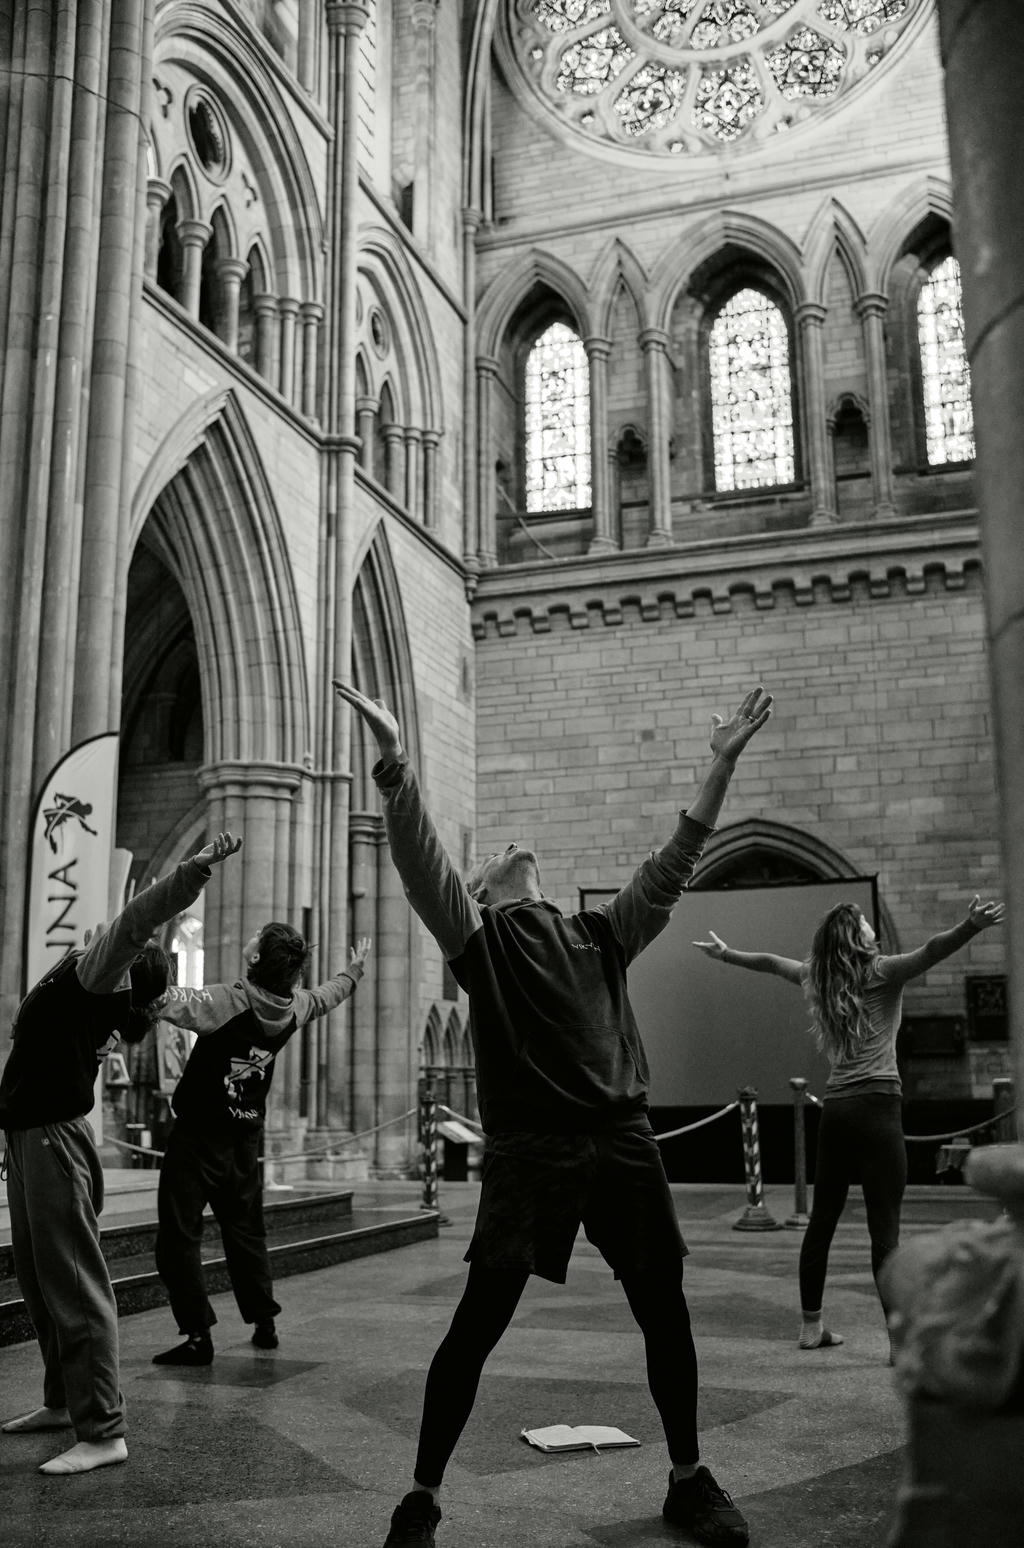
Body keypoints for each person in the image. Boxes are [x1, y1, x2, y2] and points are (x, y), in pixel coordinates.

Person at [334, 678, 773, 1548]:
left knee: (666, 1312)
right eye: (492, 854)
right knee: (476, 1326)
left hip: (622, 1139)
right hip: (534, 1152)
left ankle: (689, 1480)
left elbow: (681, 854)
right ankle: (419, 1499)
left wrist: (720, 763)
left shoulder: (601, 933)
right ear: (485, 890)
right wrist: (393, 766)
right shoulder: (480, 942)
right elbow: (421, 862)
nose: (509, 847)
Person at [0, 832, 242, 1474]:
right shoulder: (87, 980)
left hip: (53, 1139)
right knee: (38, 1280)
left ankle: (104, 1431)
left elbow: (138, 919)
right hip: (28, 1138)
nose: (122, 936)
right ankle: (62, 1401)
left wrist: (192, 872)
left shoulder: (98, 976)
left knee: (75, 1285)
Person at [692, 896, 1004, 1353]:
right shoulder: (882, 971)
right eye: (864, 922)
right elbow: (933, 951)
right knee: (885, 1232)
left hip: (837, 1111)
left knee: (821, 1222)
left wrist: (727, 955)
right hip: (879, 1108)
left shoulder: (817, 976)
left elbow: (773, 963)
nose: (871, 926)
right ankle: (898, 1342)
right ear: (857, 936)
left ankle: (810, 1326)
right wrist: (969, 927)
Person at [147, 924, 372, 1365]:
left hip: (198, 1140)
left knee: (178, 1236)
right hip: (246, 1141)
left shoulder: (223, 1002)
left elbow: (165, 1002)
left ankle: (197, 1336)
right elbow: (327, 996)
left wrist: (121, 965)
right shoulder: (292, 1007)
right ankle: (264, 1323)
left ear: (254, 960)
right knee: (246, 1233)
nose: (247, 938)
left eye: (253, 939)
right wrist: (353, 973)